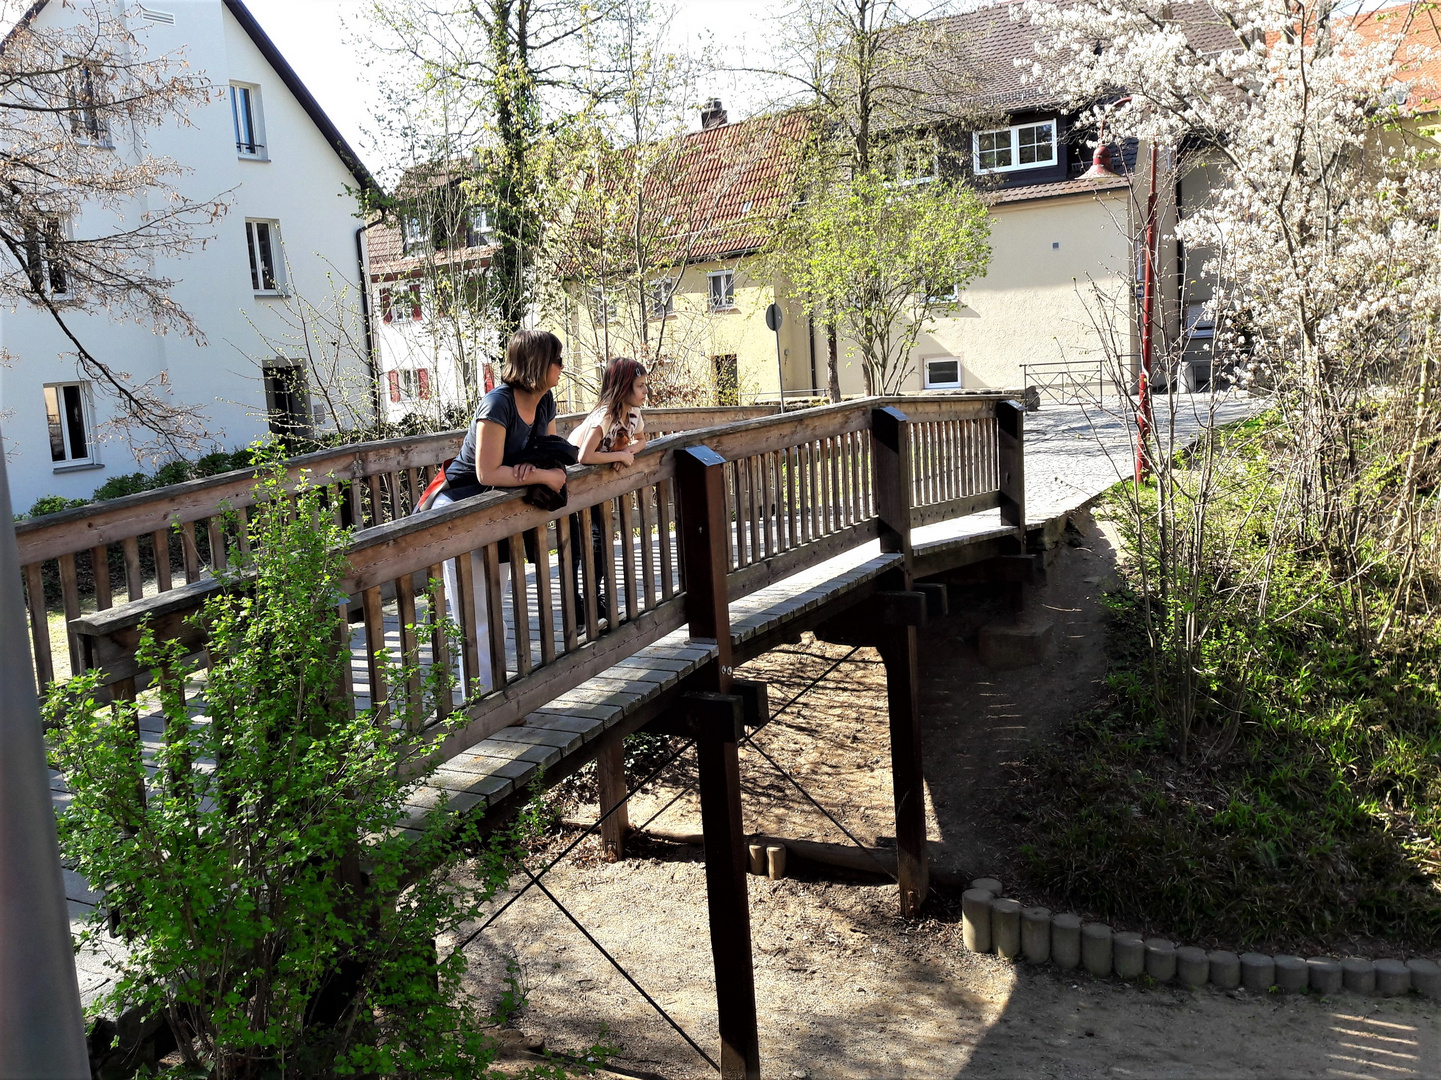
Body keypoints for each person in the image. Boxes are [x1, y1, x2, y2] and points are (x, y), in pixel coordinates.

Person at [433, 330, 570, 692]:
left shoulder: (545, 401)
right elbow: (486, 472)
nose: (561, 366)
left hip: (501, 512)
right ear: (538, 363)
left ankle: (497, 695)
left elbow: (550, 453)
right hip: (462, 510)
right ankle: (479, 704)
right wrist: (539, 473)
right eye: (557, 359)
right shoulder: (498, 404)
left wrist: (538, 469)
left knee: (495, 611)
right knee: (473, 617)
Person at [567, 358, 648, 628]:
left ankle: (595, 602)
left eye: (645, 385)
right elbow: (583, 455)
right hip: (571, 481)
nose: (644, 391)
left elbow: (642, 439)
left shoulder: (633, 414)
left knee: (599, 543)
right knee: (578, 548)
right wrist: (620, 456)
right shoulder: (606, 415)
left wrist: (626, 452)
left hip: (593, 486)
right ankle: (580, 610)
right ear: (623, 387)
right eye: (639, 386)